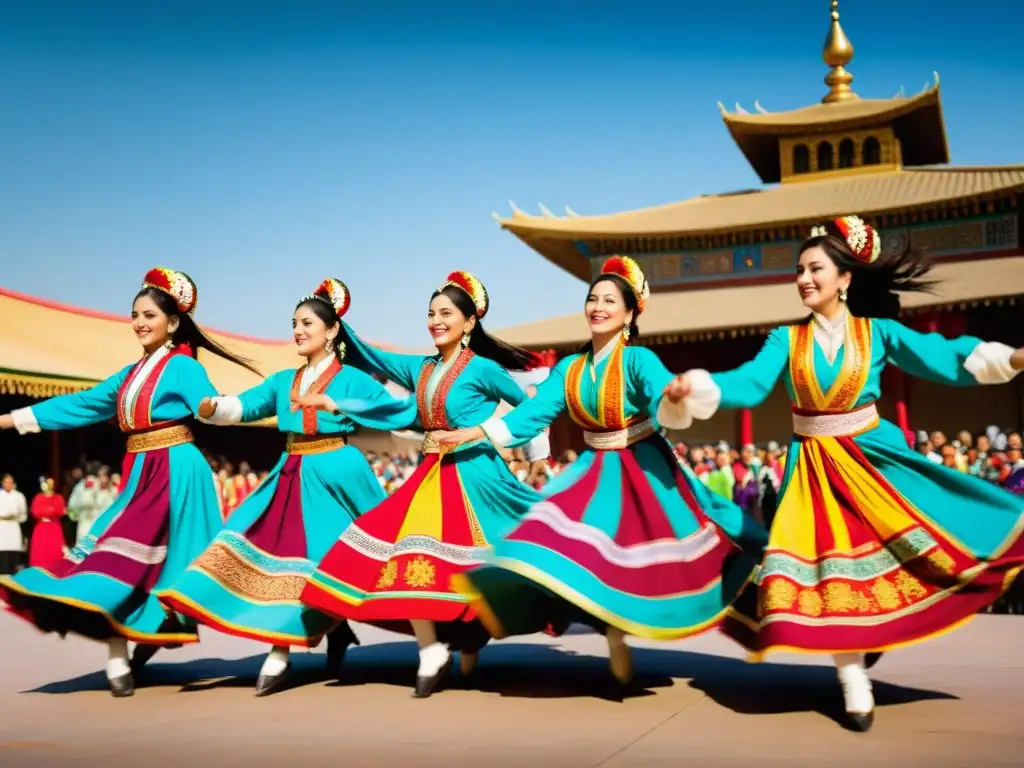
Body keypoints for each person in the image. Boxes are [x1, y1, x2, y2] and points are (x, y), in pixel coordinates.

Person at [668, 215, 1024, 731]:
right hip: (813, 469)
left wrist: (1012, 357)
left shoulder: (877, 333)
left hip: (875, 461)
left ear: (845, 279)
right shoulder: (784, 341)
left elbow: (941, 356)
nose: (804, 278)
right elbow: (747, 385)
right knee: (830, 567)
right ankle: (853, 681)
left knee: (901, 553)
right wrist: (696, 388)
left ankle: (871, 639)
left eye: (815, 268)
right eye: (799, 270)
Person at [436, 256, 767, 687]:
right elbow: (531, 416)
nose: (598, 307)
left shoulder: (639, 360)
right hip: (592, 472)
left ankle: (647, 626)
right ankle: (612, 634)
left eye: (609, 300)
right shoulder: (569, 370)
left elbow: (659, 391)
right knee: (553, 542)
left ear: (629, 314)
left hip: (645, 468)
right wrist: (474, 432)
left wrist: (674, 391)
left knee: (716, 540)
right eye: (593, 298)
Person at [0, 267, 259, 697]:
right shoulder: (129, 375)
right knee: (120, 557)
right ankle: (120, 652)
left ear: (172, 322)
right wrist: (10, 419)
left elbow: (205, 402)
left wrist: (213, 406)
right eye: (134, 314)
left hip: (175, 468)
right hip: (141, 469)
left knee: (147, 563)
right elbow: (82, 404)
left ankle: (127, 655)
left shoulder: (182, 366)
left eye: (149, 315)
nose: (139, 322)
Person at [157, 278, 418, 697]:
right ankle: (285, 646)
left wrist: (343, 405)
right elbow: (244, 406)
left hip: (339, 471)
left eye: (307, 323)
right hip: (292, 471)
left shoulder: (352, 379)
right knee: (276, 549)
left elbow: (396, 410)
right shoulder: (283, 381)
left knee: (356, 557)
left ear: (332, 330)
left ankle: (329, 635)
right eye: (294, 323)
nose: (297, 330)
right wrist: (212, 407)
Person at [298, 270, 543, 698]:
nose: (436, 320)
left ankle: (470, 637)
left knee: (483, 563)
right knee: (404, 552)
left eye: (446, 313)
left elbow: (531, 407)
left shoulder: (484, 369)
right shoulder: (421, 367)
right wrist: (336, 316)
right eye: (431, 313)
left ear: (469, 323)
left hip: (478, 475)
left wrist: (536, 454)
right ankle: (431, 648)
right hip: (430, 474)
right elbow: (369, 356)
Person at [28, 478, 66, 568]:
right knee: (40, 550)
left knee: (55, 550)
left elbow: (60, 511)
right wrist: (50, 511)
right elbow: (36, 512)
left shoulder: (58, 498)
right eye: (48, 483)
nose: (49, 485)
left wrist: (48, 511)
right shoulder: (38, 498)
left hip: (54, 527)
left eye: (51, 483)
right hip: (41, 527)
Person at [0, 474, 28, 575]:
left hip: (13, 526)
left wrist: (14, 517)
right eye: (6, 482)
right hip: (1, 526)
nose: (8, 484)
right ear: (2, 483)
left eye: (10, 482)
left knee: (14, 553)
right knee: (2, 554)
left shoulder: (19, 496)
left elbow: (23, 513)